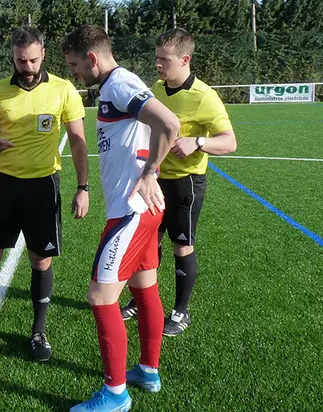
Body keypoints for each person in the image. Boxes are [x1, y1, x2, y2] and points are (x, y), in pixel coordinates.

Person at [0, 26, 89, 362]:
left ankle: (38, 331)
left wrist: (83, 188)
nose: (26, 67)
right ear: (12, 57)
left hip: (43, 186)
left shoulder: (64, 89)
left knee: (40, 260)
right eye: (20, 60)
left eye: (32, 60)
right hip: (3, 185)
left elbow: (77, 141)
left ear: (43, 54)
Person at [62, 24, 180, 412]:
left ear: (92, 58)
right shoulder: (119, 85)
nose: (74, 72)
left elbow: (169, 123)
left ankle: (115, 395)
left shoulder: (118, 84)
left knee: (100, 297)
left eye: (75, 64)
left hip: (130, 212)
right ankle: (148, 371)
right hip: (141, 210)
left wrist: (149, 173)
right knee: (145, 289)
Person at [120, 27, 237, 337]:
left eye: (164, 59)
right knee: (147, 242)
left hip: (185, 183)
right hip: (153, 181)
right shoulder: (156, 90)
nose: (158, 64)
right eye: (156, 58)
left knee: (181, 245)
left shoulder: (204, 97)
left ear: (185, 59)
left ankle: (181, 311)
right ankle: (140, 298)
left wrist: (198, 141)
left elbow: (230, 142)